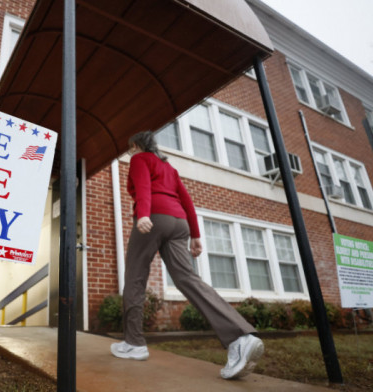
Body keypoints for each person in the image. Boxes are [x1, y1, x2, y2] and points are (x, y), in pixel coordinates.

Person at [110, 130, 264, 380]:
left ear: (137, 145)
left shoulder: (140, 159)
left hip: (154, 217)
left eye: (131, 147)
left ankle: (134, 343)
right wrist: (195, 234)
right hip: (179, 222)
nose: (130, 152)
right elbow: (187, 200)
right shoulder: (169, 168)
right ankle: (239, 337)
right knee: (186, 278)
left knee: (135, 278)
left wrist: (144, 214)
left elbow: (143, 186)